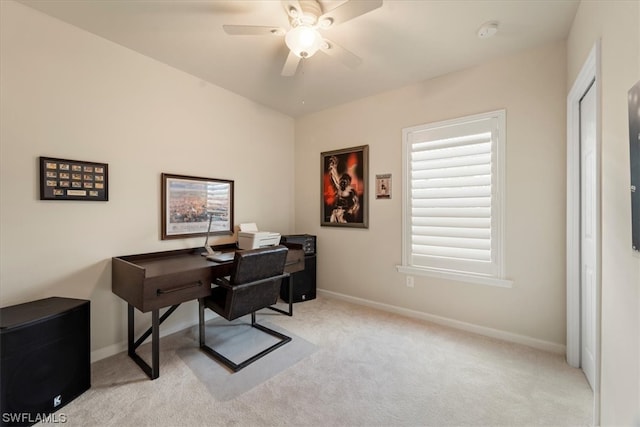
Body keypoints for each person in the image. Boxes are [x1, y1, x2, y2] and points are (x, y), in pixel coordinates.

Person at [328, 155, 360, 223]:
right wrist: (333, 167)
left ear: (348, 183)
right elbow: (335, 178)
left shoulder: (351, 191)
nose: (342, 183)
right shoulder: (339, 187)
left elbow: (356, 204)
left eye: (345, 182)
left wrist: (350, 211)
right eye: (342, 181)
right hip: (335, 212)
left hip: (343, 213)